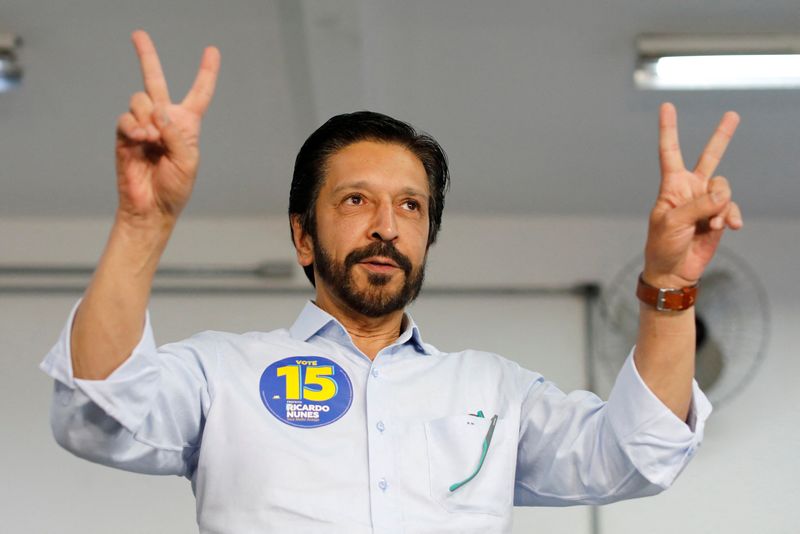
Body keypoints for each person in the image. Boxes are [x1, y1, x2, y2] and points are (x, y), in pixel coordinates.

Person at [40, 30, 743, 533]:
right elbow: (99, 411)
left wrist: (669, 282)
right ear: (302, 234)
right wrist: (145, 220)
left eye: (411, 206)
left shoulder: (493, 394)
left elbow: (638, 454)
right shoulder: (222, 374)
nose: (387, 225)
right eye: (355, 200)